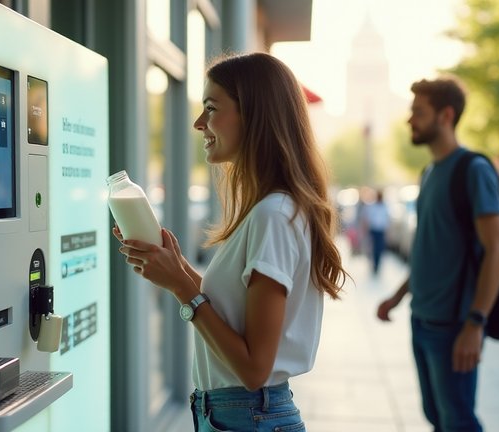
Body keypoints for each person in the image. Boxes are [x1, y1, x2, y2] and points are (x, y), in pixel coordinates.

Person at [114, 52, 348, 431]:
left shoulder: (273, 216)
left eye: (210, 108)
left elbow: (254, 368)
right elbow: (236, 314)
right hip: (239, 415)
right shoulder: (273, 211)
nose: (198, 123)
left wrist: (180, 287)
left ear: (254, 115)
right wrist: (179, 269)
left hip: (248, 416)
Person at [376, 77, 499, 431]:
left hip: (454, 324)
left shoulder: (473, 170)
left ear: (446, 116)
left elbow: (498, 248)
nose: (410, 120)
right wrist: (397, 296)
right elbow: (430, 246)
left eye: (418, 112)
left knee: (458, 421)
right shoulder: (429, 172)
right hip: (423, 318)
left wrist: (475, 324)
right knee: (437, 416)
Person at [361, 189, 390, 274]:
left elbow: (387, 219)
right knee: (372, 248)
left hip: (381, 231)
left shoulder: (385, 207)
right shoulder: (372, 207)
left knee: (379, 249)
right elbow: (367, 218)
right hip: (373, 230)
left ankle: (377, 265)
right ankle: (373, 264)